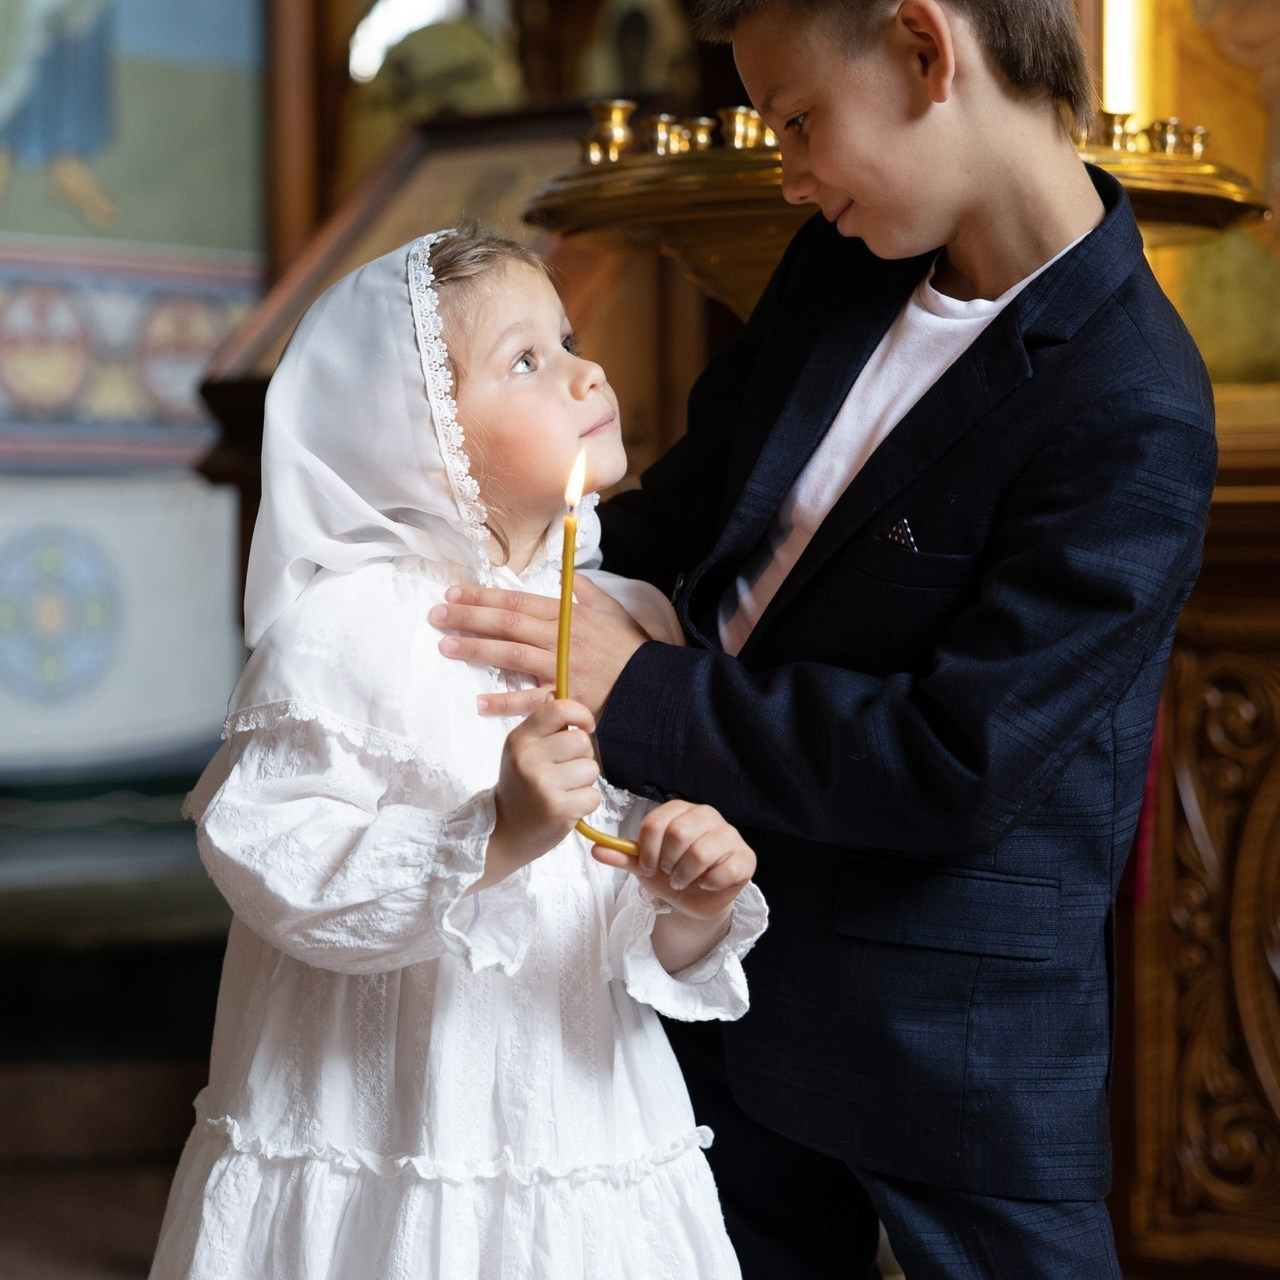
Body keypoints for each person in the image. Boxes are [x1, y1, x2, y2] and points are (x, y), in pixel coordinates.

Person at [426, 2, 1219, 1277]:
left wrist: (635, 687)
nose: (785, 168)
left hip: (936, 1028)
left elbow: (954, 759)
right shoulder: (839, 265)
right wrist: (473, 585)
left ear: (923, 49)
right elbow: (682, 516)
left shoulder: (1133, 402)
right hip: (704, 935)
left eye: (798, 120)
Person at [148, 225, 767, 1280]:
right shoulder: (348, 631)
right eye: (526, 359)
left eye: (565, 339)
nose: (588, 370)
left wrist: (687, 897)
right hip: (387, 1130)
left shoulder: (626, 623)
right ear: (414, 437)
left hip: (580, 1134)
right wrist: (495, 831)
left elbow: (612, 924)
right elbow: (276, 863)